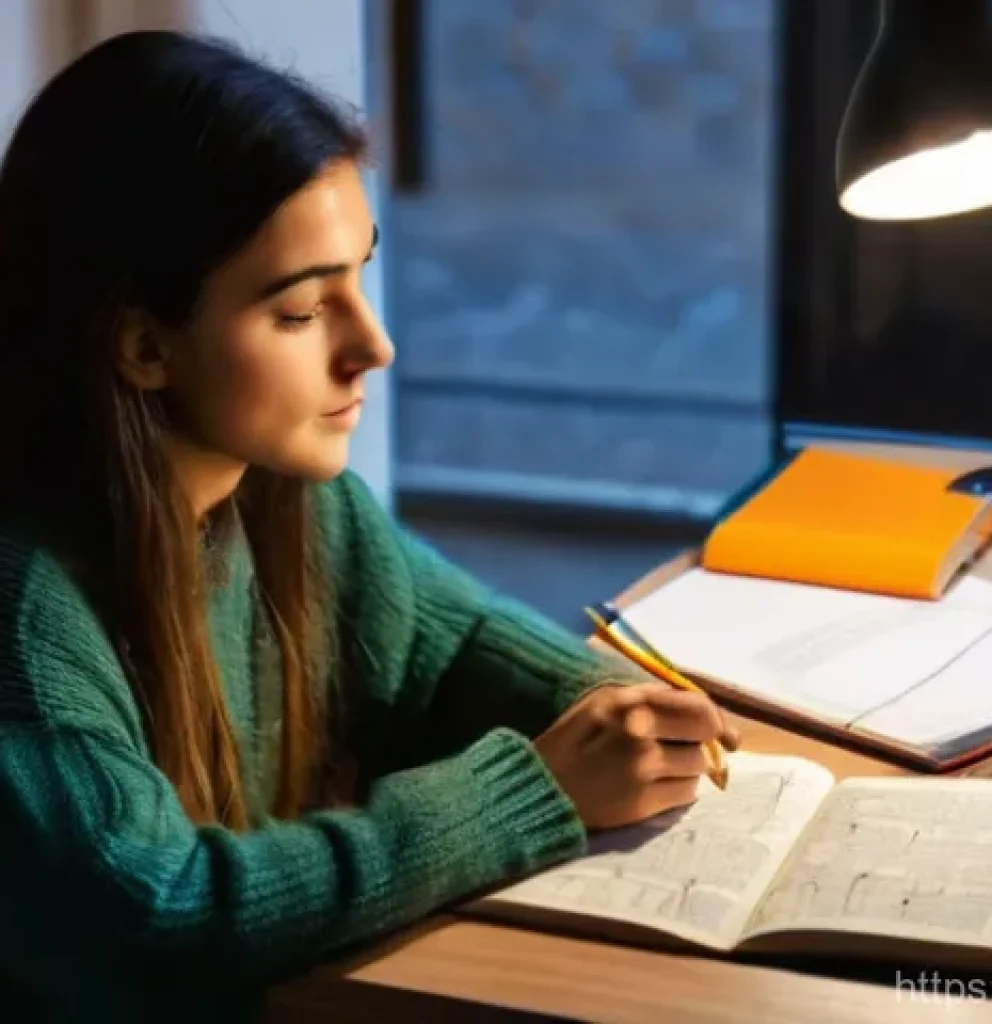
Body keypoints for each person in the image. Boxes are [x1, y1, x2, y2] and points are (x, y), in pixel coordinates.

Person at [0, 30, 738, 1021]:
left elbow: (448, 650)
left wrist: (615, 706)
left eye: (361, 276)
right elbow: (157, 916)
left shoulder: (286, 498)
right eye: (304, 310)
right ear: (143, 345)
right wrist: (534, 793)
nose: (375, 345)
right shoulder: (25, 620)